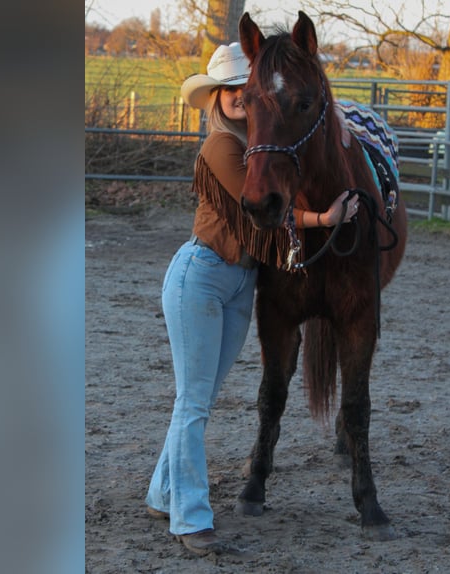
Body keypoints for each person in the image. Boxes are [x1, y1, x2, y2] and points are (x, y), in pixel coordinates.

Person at [144, 42, 358, 556]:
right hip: (203, 275)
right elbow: (268, 214)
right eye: (231, 89)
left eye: (248, 87)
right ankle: (191, 521)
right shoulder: (221, 147)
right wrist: (325, 221)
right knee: (192, 402)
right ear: (216, 97)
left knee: (198, 401)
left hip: (240, 283)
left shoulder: (260, 147)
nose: (240, 95)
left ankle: (161, 491)